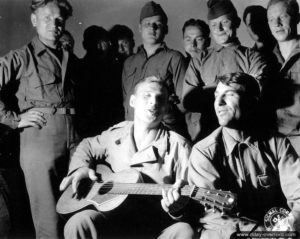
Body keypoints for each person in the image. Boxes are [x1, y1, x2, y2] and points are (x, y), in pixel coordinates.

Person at [59, 76, 195, 239]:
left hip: (153, 228)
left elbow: (191, 204)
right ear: (132, 101)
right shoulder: (116, 134)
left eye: (160, 98)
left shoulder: (179, 146)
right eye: (147, 95)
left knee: (185, 231)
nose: (154, 102)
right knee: (79, 221)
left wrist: (177, 209)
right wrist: (81, 167)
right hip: (112, 224)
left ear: (166, 107)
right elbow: (87, 145)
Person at [0, 0, 80, 237]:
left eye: (59, 20)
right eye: (47, 18)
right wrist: (14, 119)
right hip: (40, 141)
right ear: (34, 21)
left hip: (76, 141)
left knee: (79, 210)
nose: (54, 24)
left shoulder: (71, 59)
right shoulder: (21, 57)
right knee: (48, 219)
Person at [186, 72, 300, 238]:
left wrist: (290, 223)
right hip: (228, 234)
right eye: (216, 96)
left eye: (229, 95)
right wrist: (260, 234)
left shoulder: (277, 143)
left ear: (251, 101)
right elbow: (214, 216)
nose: (219, 102)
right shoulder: (203, 151)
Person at [182, 0, 268, 143]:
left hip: (245, 135)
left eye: (225, 22)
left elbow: (257, 93)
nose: (219, 29)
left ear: (237, 22)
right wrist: (234, 91)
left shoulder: (253, 57)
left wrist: (208, 90)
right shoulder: (199, 60)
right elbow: (189, 100)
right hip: (207, 136)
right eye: (214, 25)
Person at [122, 1, 188, 138]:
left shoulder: (174, 58)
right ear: (140, 28)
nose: (152, 28)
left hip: (162, 132)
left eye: (157, 24)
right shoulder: (129, 62)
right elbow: (125, 101)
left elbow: (184, 102)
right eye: (147, 24)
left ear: (166, 29)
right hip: (131, 132)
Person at [267, 0, 300, 155]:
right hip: (273, 145)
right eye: (272, 20)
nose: (277, 24)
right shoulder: (264, 59)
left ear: (297, 18)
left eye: (283, 17)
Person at [79, 25, 124, 137]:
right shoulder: (79, 68)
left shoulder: (114, 68)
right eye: (96, 42)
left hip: (110, 127)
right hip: (90, 128)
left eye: (104, 42)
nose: (101, 46)